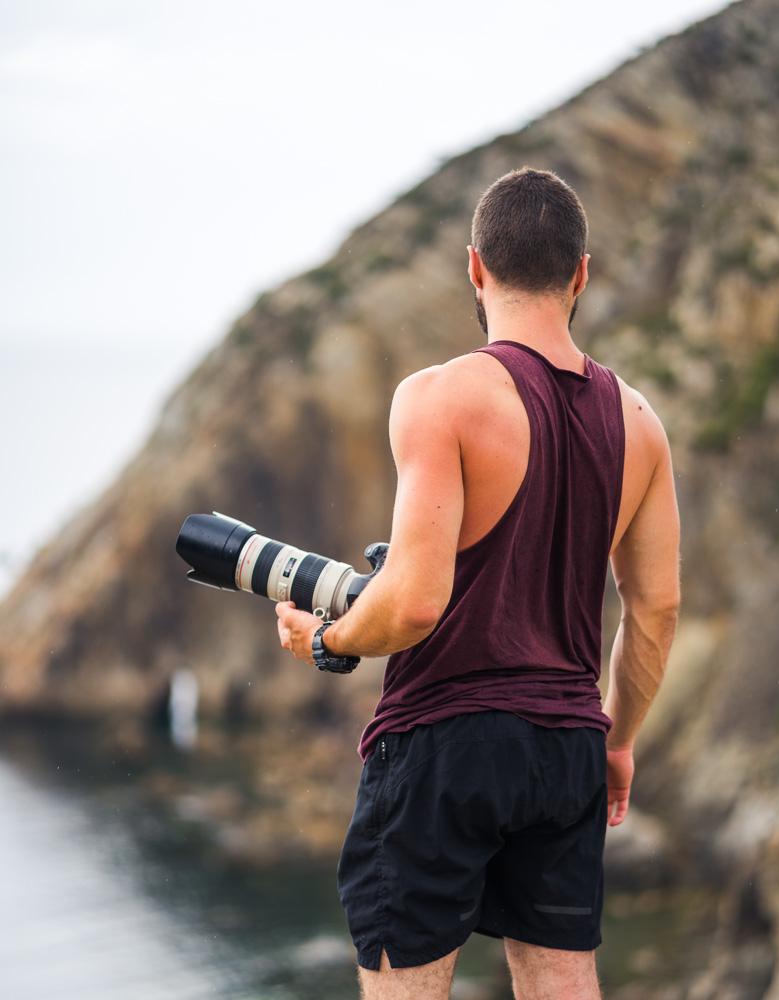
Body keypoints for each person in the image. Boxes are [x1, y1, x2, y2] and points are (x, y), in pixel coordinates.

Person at [275, 166, 681, 1000]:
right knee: (563, 979)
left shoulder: (443, 396)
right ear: (580, 275)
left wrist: (326, 638)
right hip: (568, 743)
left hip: (443, 741)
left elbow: (417, 601)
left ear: (474, 269)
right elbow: (655, 608)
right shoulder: (640, 422)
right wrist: (618, 739)